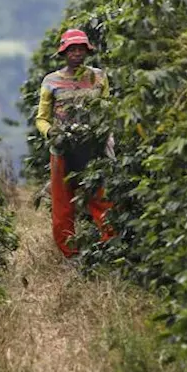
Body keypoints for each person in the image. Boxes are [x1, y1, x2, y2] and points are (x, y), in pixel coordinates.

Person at [35, 28, 116, 259]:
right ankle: (70, 254)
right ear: (64, 52)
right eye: (72, 49)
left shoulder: (99, 77)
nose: (77, 54)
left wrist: (106, 136)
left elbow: (106, 109)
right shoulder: (51, 81)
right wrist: (52, 133)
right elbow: (42, 118)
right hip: (62, 150)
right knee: (63, 206)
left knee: (102, 201)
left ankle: (107, 249)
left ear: (87, 51)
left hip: (94, 147)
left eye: (81, 49)